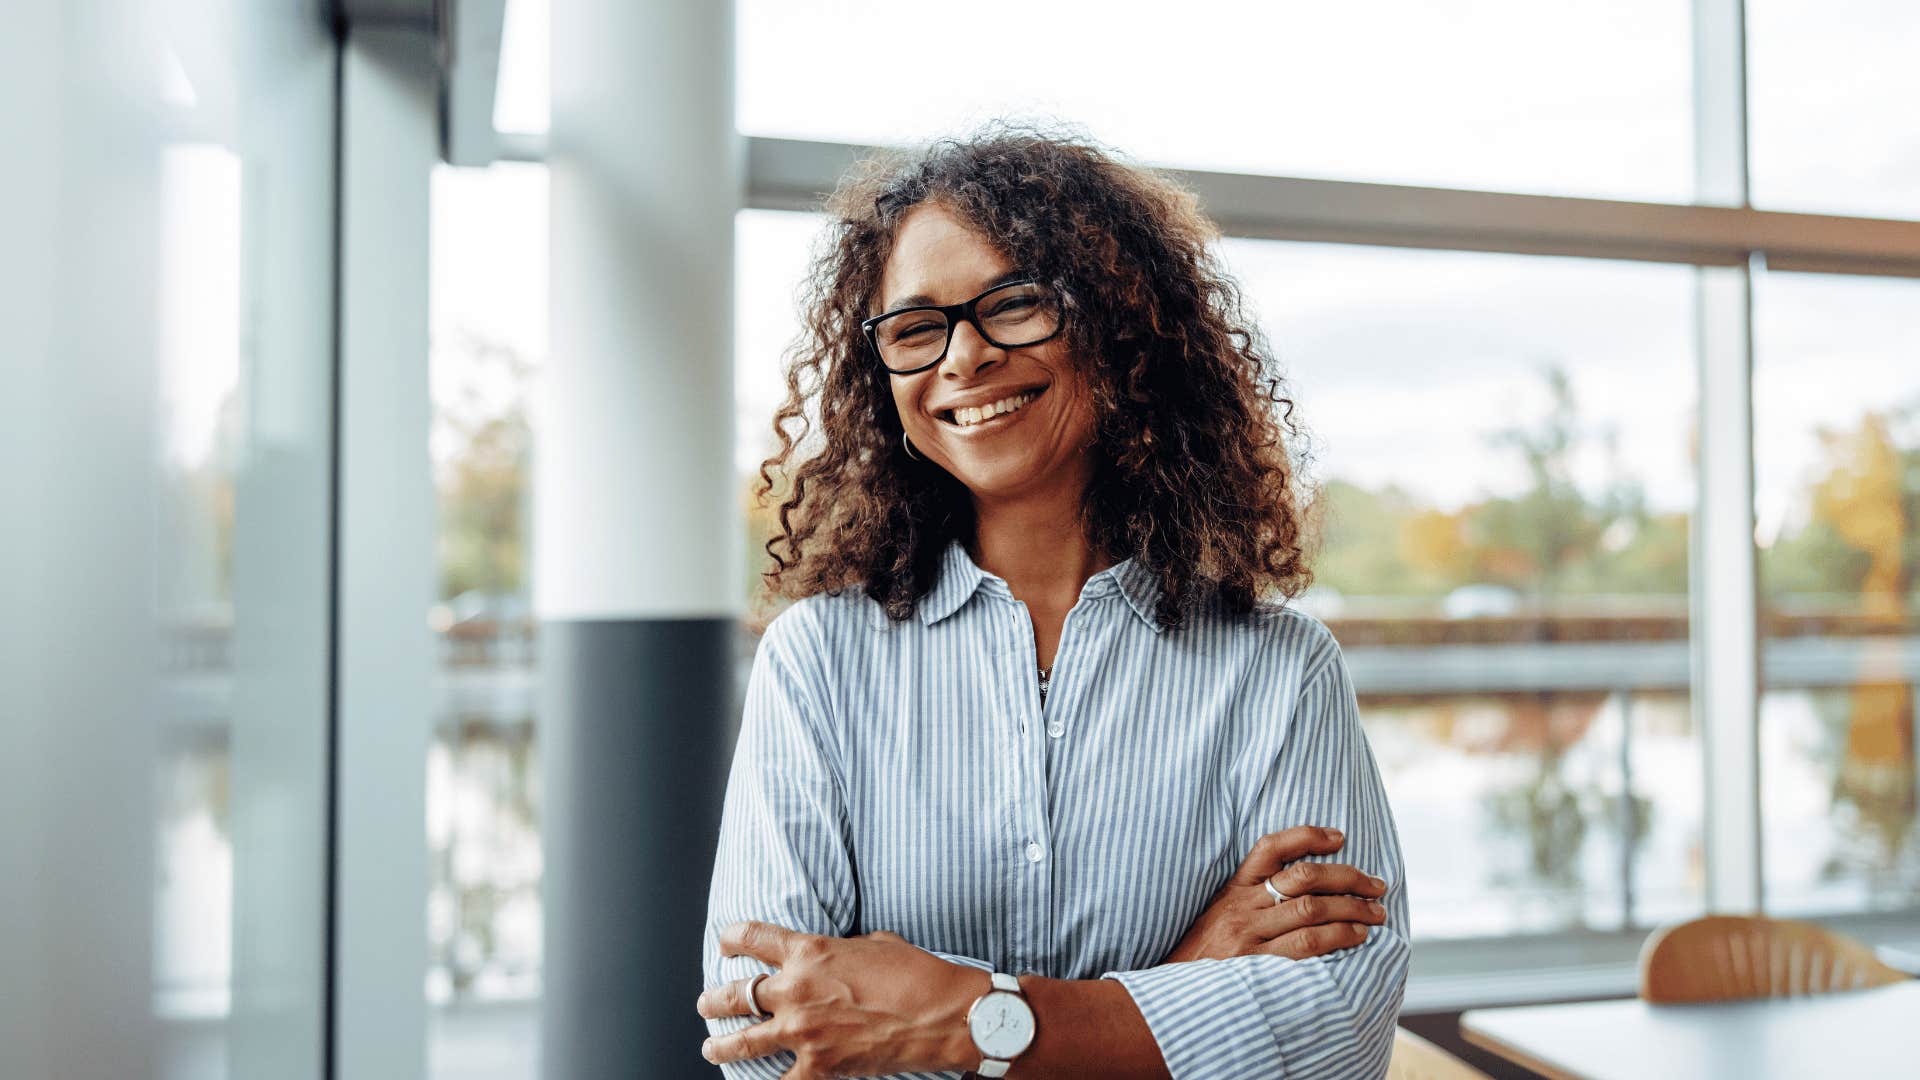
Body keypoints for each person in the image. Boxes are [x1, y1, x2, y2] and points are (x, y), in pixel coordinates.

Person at [694, 125, 1408, 1079]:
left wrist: (961, 1021)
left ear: (1119, 328)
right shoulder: (818, 661)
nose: (964, 357)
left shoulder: (1278, 671)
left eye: (1016, 304)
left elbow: (1338, 1028)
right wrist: (1180, 985)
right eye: (915, 328)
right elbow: (767, 1048)